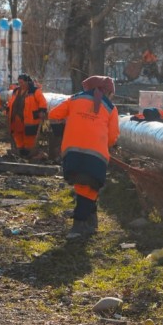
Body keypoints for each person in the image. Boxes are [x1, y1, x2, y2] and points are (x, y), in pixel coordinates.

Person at [48, 76, 120, 237]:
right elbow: (113, 135)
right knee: (90, 187)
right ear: (108, 92)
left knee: (82, 185)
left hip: (71, 151)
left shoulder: (74, 99)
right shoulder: (110, 108)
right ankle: (79, 224)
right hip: (96, 155)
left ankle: (90, 221)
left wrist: (62, 133)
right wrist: (106, 145)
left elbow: (54, 114)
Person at [8, 73, 48, 157]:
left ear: (27, 82)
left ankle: (28, 152)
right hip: (16, 118)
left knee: (29, 136)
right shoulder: (16, 91)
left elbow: (42, 101)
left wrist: (42, 111)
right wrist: (8, 110)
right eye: (19, 82)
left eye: (22, 82)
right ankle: (20, 151)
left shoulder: (35, 90)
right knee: (17, 134)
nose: (20, 84)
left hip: (30, 118)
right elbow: (11, 102)